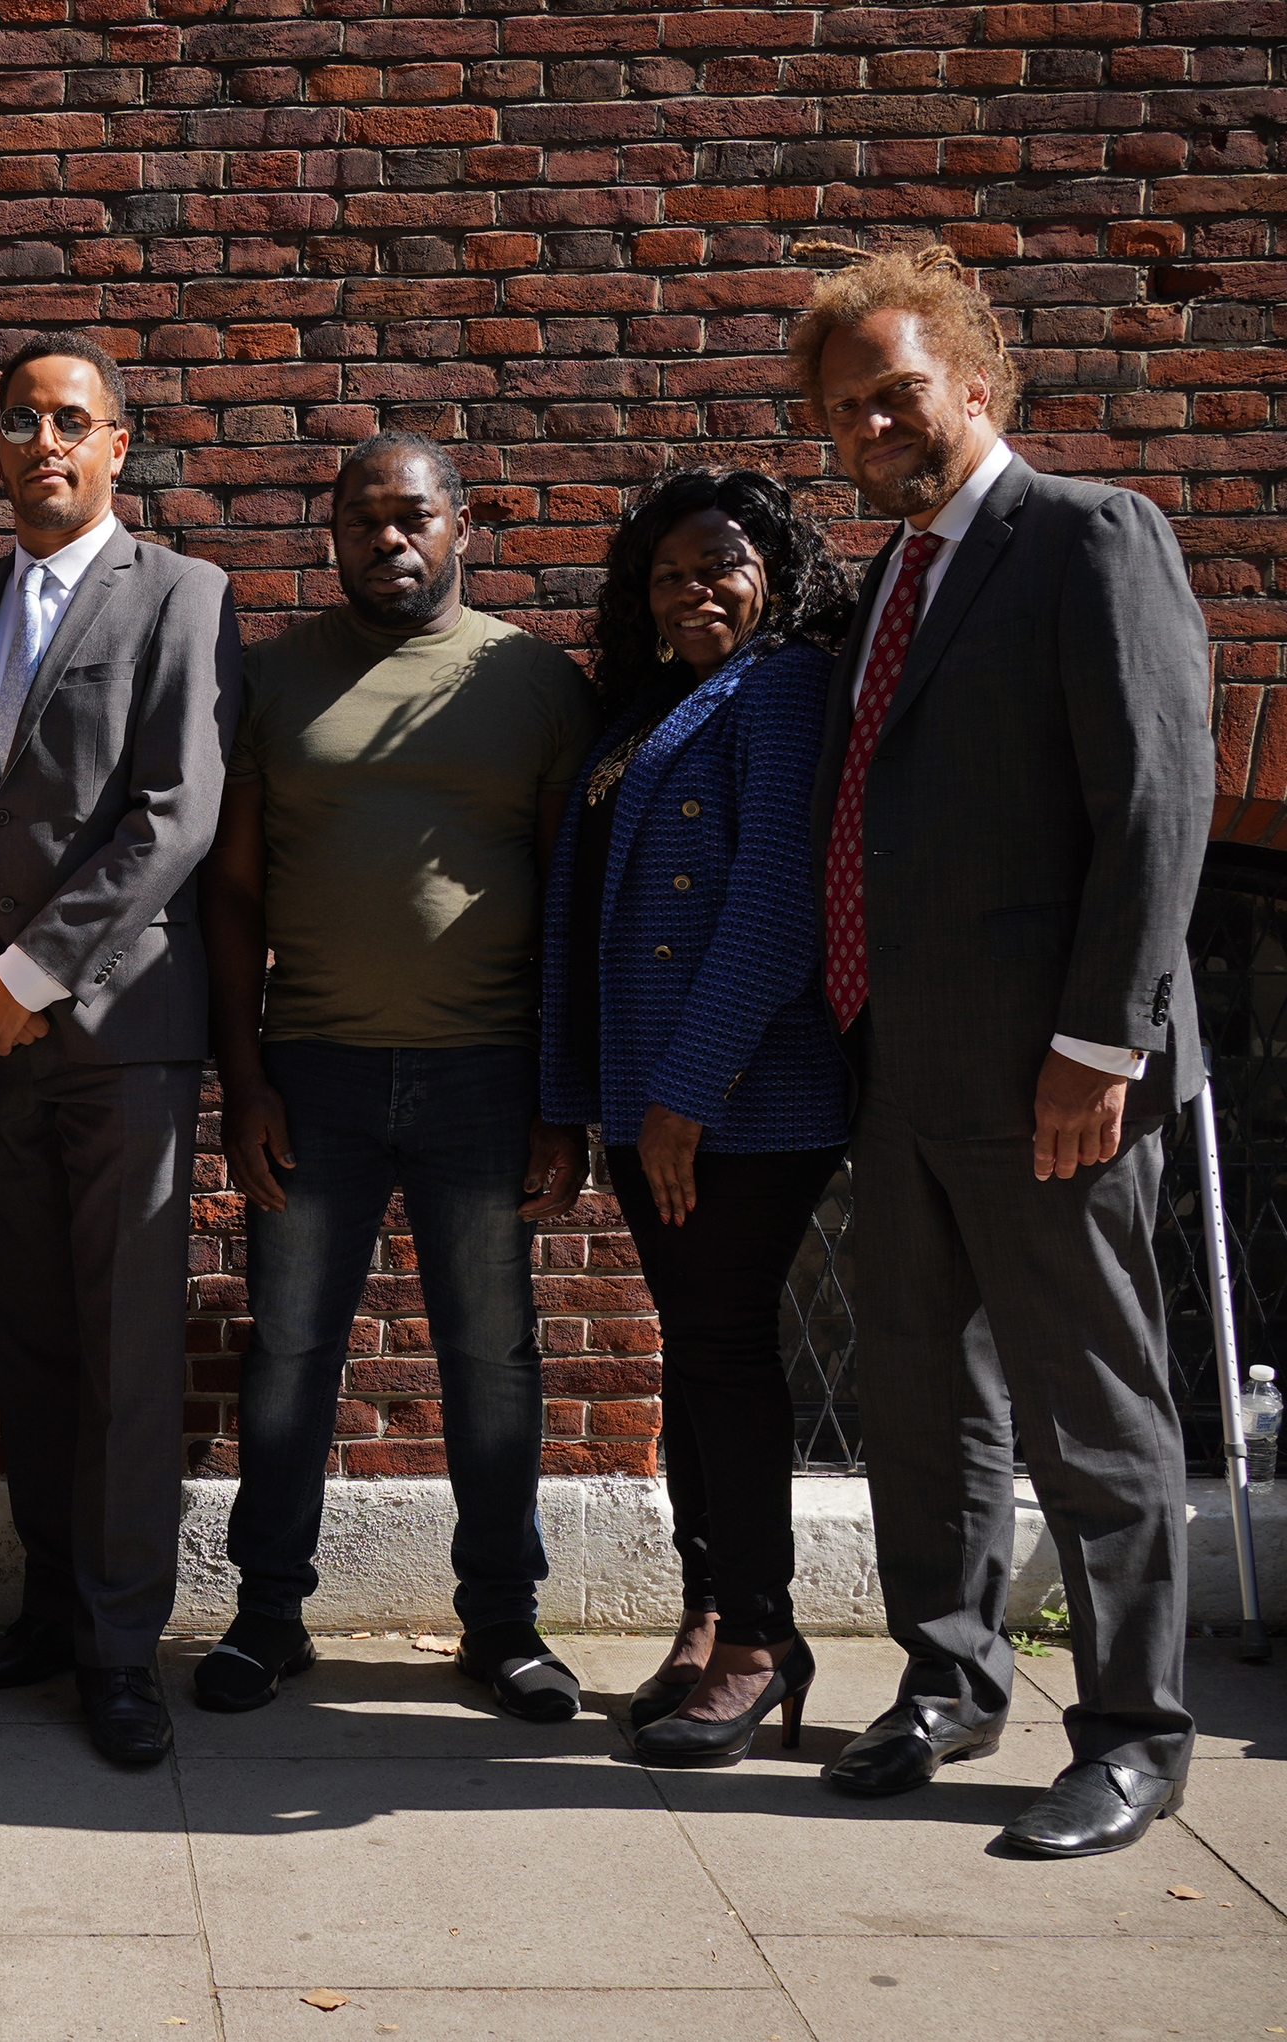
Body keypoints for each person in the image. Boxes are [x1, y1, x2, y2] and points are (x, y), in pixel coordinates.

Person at [788, 244, 1212, 1855]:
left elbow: (1158, 802)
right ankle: (950, 1679)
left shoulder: (1089, 535)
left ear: (976, 377)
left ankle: (1131, 1732)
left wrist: (1102, 1043)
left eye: (895, 391)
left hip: (1052, 1079)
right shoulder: (893, 577)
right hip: (897, 1068)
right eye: (843, 413)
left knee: (1091, 1409)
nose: (872, 427)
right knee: (921, 1394)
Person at [199, 431, 598, 1724]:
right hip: (312, 1068)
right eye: (364, 520)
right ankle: (268, 1617)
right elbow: (236, 888)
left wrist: (559, 1094)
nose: (390, 539)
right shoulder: (270, 681)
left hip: (483, 1074)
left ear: (462, 524)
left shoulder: (534, 681)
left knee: (493, 1354)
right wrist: (244, 1080)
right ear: (331, 535)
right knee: (290, 1352)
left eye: (413, 515)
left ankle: (503, 1624)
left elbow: (567, 901)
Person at [0, 332, 243, 1769]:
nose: (43, 441)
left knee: (123, 1350)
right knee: (31, 1338)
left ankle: (121, 1647)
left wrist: (37, 970)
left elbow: (177, 809)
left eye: (70, 419)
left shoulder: (183, 594)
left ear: (119, 443)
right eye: (18, 420)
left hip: (122, 1033)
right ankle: (50, 1610)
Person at [536, 468, 855, 1762]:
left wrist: (685, 1094)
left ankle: (762, 1642)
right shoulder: (656, 706)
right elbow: (592, 924)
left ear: (771, 568)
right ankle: (713, 1615)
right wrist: (587, 1101)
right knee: (696, 1349)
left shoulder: (780, 689)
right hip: (655, 1098)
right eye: (668, 575)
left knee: (723, 1350)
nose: (696, 588)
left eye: (721, 562)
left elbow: (778, 897)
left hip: (742, 1100)